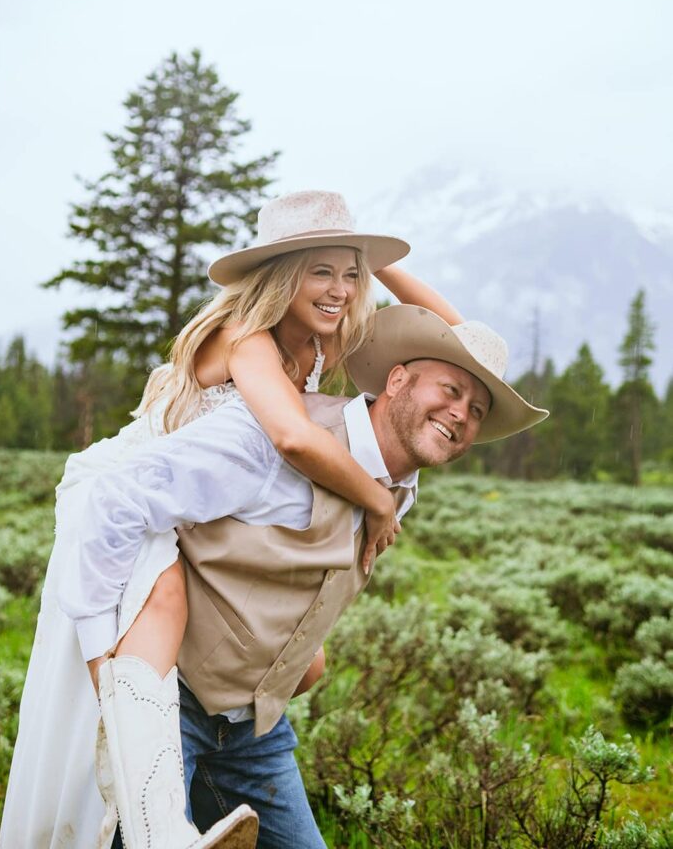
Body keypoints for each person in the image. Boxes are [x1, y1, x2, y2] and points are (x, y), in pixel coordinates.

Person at [0, 191, 464, 849]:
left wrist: (374, 260)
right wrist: (378, 499)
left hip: (198, 496)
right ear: (280, 273)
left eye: (348, 274)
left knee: (303, 665)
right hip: (141, 485)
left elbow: (457, 340)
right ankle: (156, 819)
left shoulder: (324, 334)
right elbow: (292, 438)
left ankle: (188, 776)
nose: (338, 290)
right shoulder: (247, 338)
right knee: (163, 604)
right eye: (320, 271)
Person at [57, 304, 549, 849]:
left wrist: (297, 658)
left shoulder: (401, 485)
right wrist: (104, 660)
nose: (460, 414)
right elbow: (114, 499)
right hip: (170, 705)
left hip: (256, 728)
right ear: (397, 379)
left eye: (477, 409)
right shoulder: (272, 437)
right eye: (451, 391)